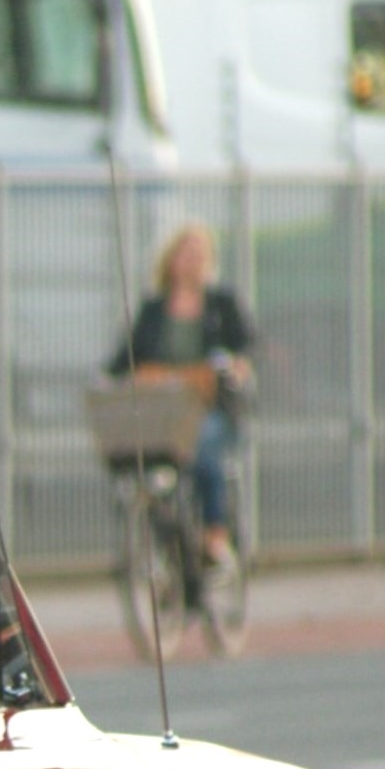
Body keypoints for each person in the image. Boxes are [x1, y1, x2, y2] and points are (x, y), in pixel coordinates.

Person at [104, 224, 254, 566]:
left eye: (200, 255)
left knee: (205, 447)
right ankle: (164, 543)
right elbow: (127, 357)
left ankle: (216, 534)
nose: (193, 262)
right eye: (187, 254)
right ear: (171, 261)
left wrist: (237, 366)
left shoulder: (222, 304)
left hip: (209, 408)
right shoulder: (154, 310)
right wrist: (110, 380)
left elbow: (245, 348)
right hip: (164, 412)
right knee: (143, 462)